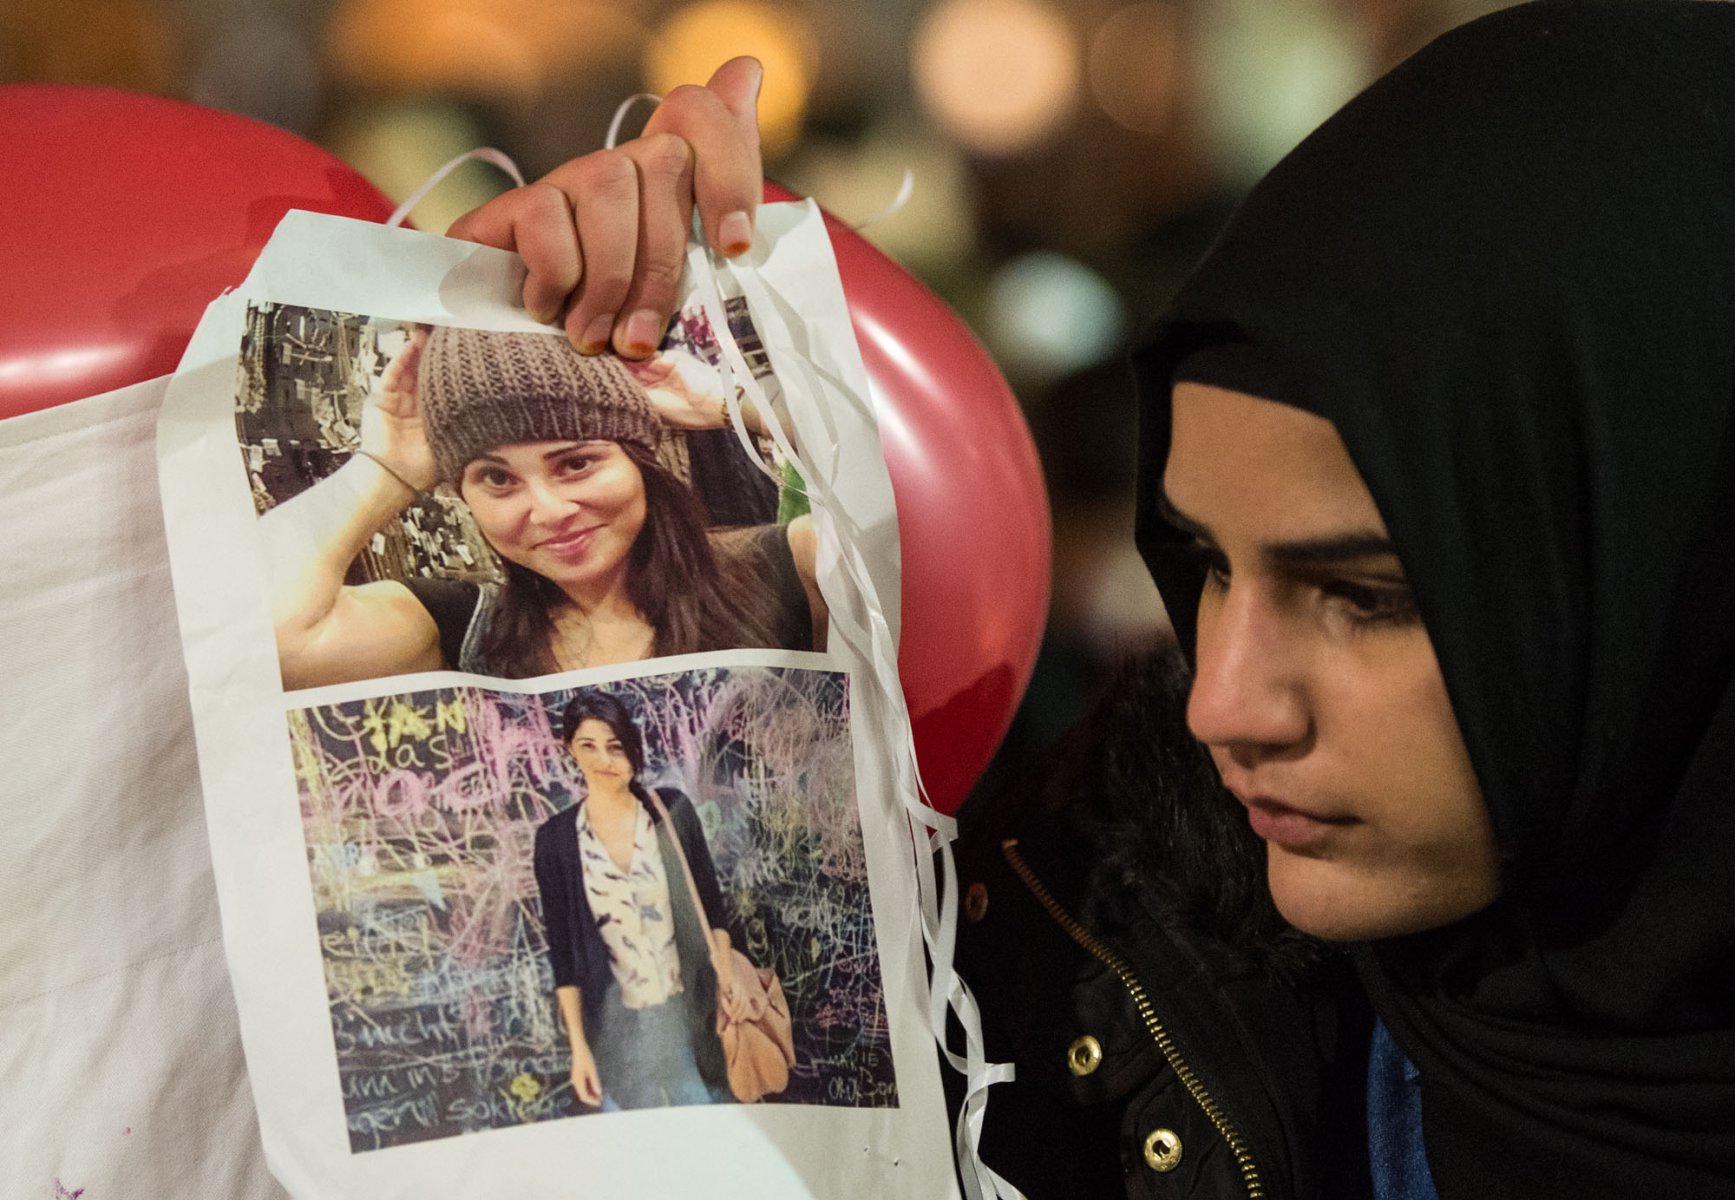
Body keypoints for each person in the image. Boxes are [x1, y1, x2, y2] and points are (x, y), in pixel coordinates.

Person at [490, 6, 1735, 1196]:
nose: (1222, 704)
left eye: (1362, 597)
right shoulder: (1081, 958)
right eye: (1204, 565)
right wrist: (525, 310)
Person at [264, 321, 826, 687]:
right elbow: (260, 645)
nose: (549, 510)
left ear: (638, 459)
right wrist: (385, 469)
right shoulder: (463, 632)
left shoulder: (790, 570)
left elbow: (878, 475)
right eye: (496, 479)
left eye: (576, 463)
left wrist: (732, 403)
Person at [532, 690, 735, 1110]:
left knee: (706, 1124)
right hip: (618, 1030)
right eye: (588, 746)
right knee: (634, 1140)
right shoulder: (555, 841)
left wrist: (727, 989)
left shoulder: (671, 812)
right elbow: (563, 958)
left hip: (691, 1015)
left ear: (631, 746)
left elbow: (713, 910)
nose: (603, 760)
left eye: (615, 746)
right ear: (570, 748)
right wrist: (579, 1051)